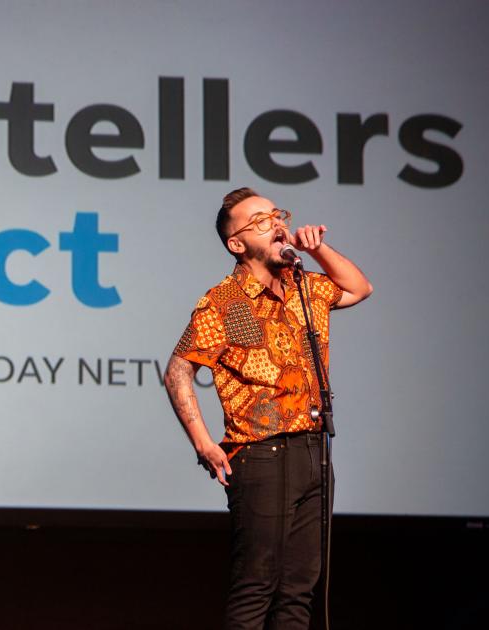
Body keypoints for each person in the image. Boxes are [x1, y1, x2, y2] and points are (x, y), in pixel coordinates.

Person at [163, 187, 372, 629]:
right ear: (237, 244)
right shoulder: (226, 302)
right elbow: (178, 371)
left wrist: (318, 249)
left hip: (314, 451)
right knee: (256, 586)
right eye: (259, 220)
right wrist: (203, 443)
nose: (275, 223)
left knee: (299, 591)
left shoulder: (304, 287)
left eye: (276, 214)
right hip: (261, 455)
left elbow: (359, 288)